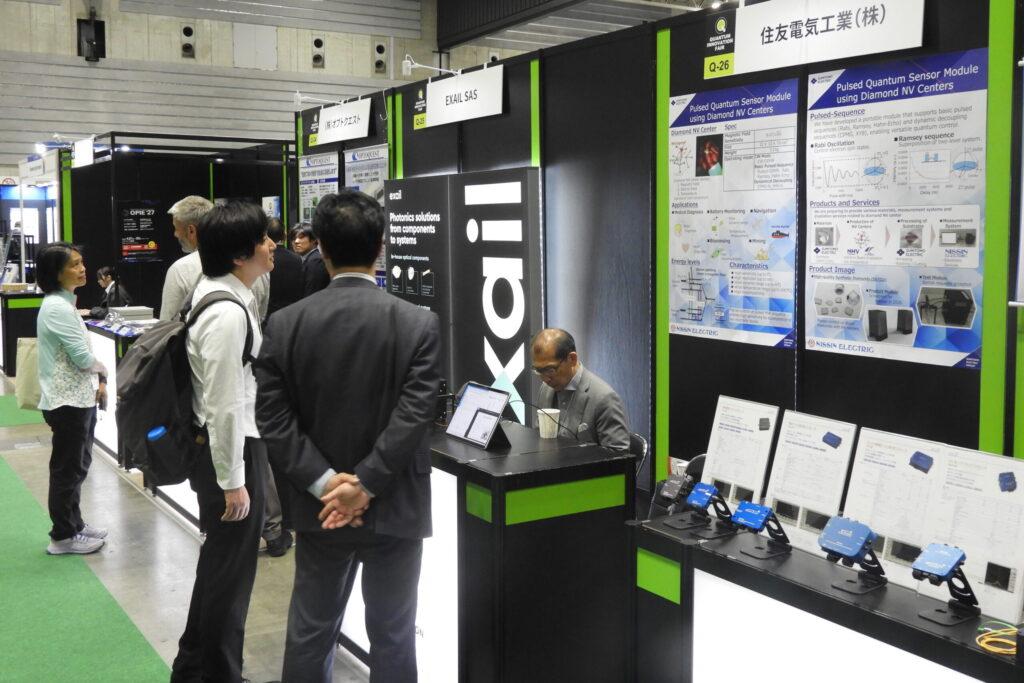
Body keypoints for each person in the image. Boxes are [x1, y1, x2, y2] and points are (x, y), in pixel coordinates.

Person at [255, 190, 440, 683]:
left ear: (321, 248)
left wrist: (326, 484)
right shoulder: (418, 323)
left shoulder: (285, 324)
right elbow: (415, 415)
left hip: (321, 510)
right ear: (381, 247)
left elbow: (272, 418)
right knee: (394, 635)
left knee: (311, 631)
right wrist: (366, 484)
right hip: (396, 501)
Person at [170, 202, 274, 683]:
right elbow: (224, 403)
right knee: (229, 577)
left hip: (227, 448)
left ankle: (195, 668)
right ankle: (217, 673)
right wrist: (233, 480)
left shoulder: (225, 296)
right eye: (263, 239)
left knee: (220, 568)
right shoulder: (227, 312)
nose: (272, 246)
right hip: (230, 452)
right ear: (238, 254)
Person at [36, 242, 108, 555]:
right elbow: (81, 357)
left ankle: (74, 523)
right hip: (67, 402)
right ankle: (63, 536)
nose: (82, 269)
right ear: (56, 272)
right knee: (67, 470)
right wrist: (103, 370)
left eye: (82, 262)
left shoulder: (64, 303)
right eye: (74, 264)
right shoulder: (57, 307)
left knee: (77, 466)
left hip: (77, 398)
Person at [161, 196, 270, 321]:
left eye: (176, 229)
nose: (175, 234)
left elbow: (168, 324)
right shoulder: (258, 264)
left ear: (191, 230)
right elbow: (260, 317)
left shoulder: (181, 269)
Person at [531, 328, 631, 451]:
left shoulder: (604, 399)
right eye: (538, 370)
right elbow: (540, 437)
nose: (545, 378)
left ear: (572, 359)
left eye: (550, 370)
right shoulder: (545, 390)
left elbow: (619, 455)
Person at [265, 218, 303, 319]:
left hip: (269, 314)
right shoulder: (297, 259)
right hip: (292, 313)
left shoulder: (263, 259)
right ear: (285, 236)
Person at [295, 222, 330, 296]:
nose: (296, 241)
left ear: (314, 240)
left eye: (301, 237)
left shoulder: (316, 261)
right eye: (294, 238)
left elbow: (311, 293)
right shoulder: (308, 259)